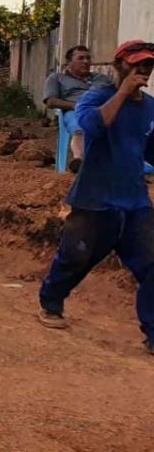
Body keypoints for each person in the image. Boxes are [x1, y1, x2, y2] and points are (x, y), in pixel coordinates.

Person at [38, 40, 154, 356]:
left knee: (152, 265)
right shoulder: (96, 97)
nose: (143, 70)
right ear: (119, 65)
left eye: (148, 65)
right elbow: (92, 126)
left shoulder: (150, 107)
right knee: (76, 257)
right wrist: (122, 93)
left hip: (135, 200)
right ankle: (51, 302)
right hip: (94, 198)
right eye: (136, 64)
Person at [43, 45, 113, 173]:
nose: (86, 61)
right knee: (79, 128)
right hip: (75, 110)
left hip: (102, 111)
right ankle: (80, 161)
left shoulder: (102, 79)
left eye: (88, 58)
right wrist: (77, 106)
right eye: (80, 58)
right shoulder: (56, 78)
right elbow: (51, 102)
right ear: (69, 62)